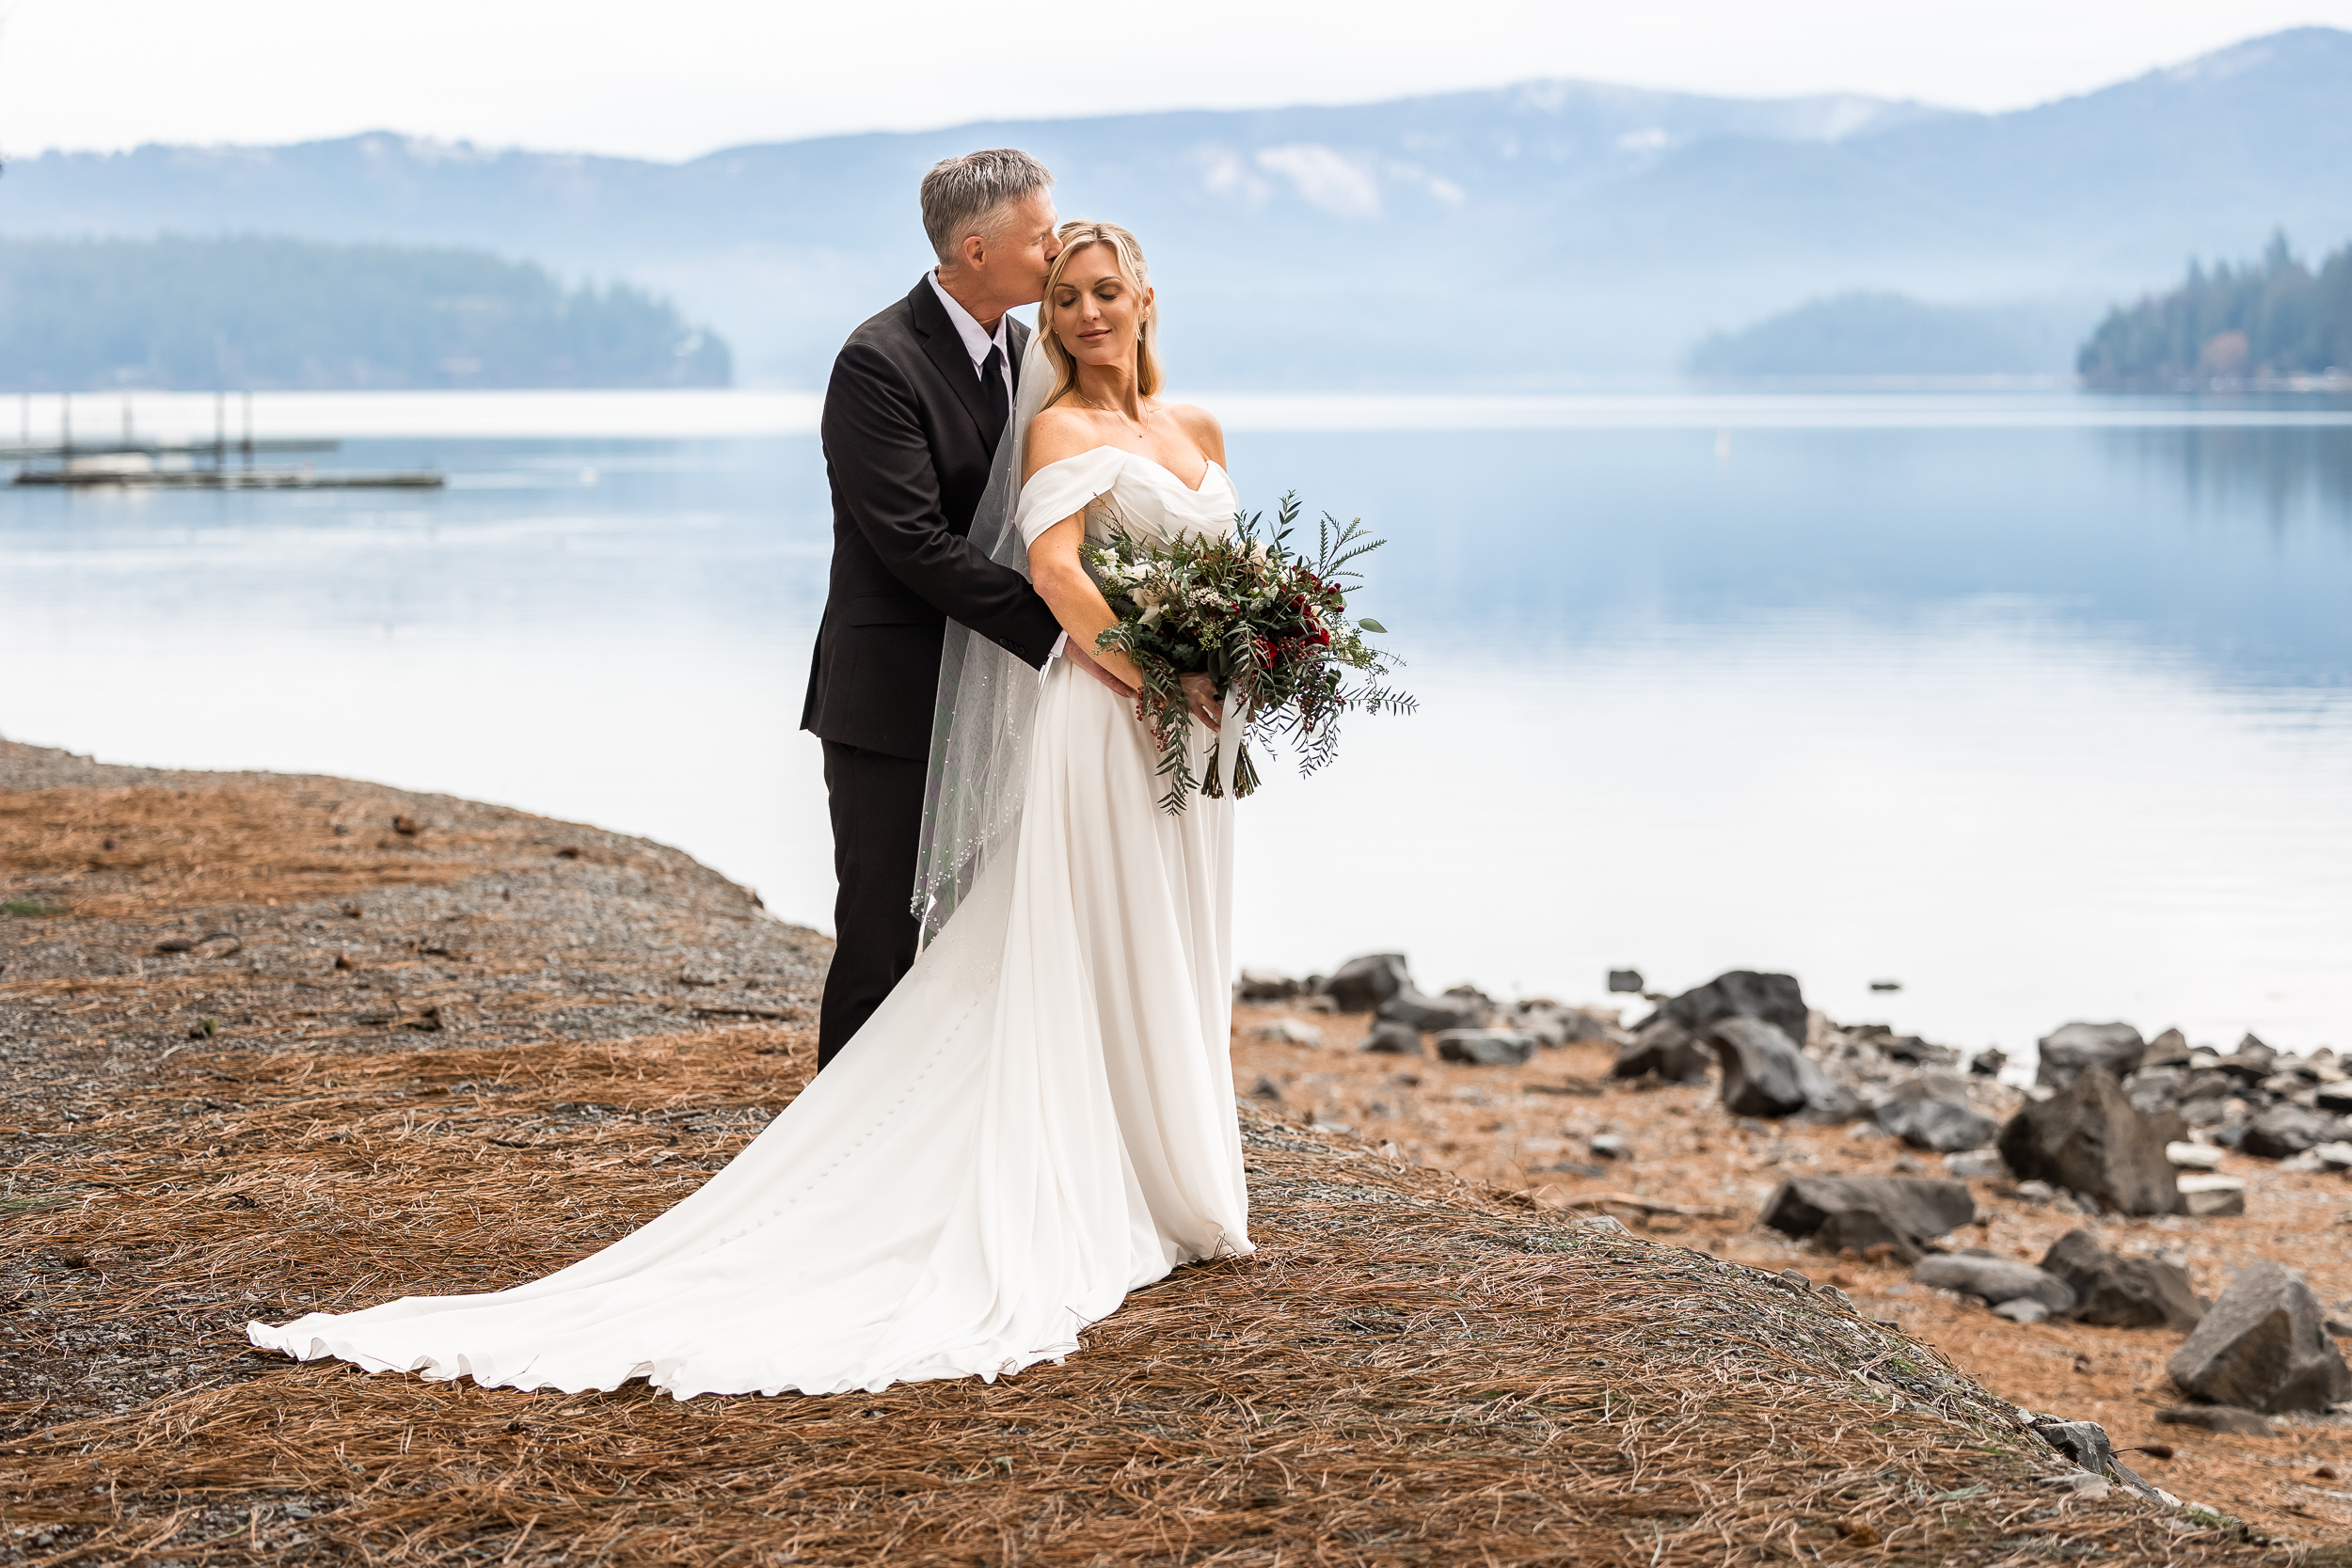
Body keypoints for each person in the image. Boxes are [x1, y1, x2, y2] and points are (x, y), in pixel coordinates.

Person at [246, 213, 1254, 1399]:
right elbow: (1017, 563)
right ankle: (854, 1166)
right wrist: (1152, 670)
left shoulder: (1173, 418)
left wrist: (1243, 654)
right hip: (1047, 700)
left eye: (1102, 289)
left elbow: (1221, 568)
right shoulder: (965, 391)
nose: (1078, 306)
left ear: (1145, 299)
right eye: (1058, 276)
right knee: (909, 930)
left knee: (1145, 934)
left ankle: (1159, 1154)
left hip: (1174, 725)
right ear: (991, 255)